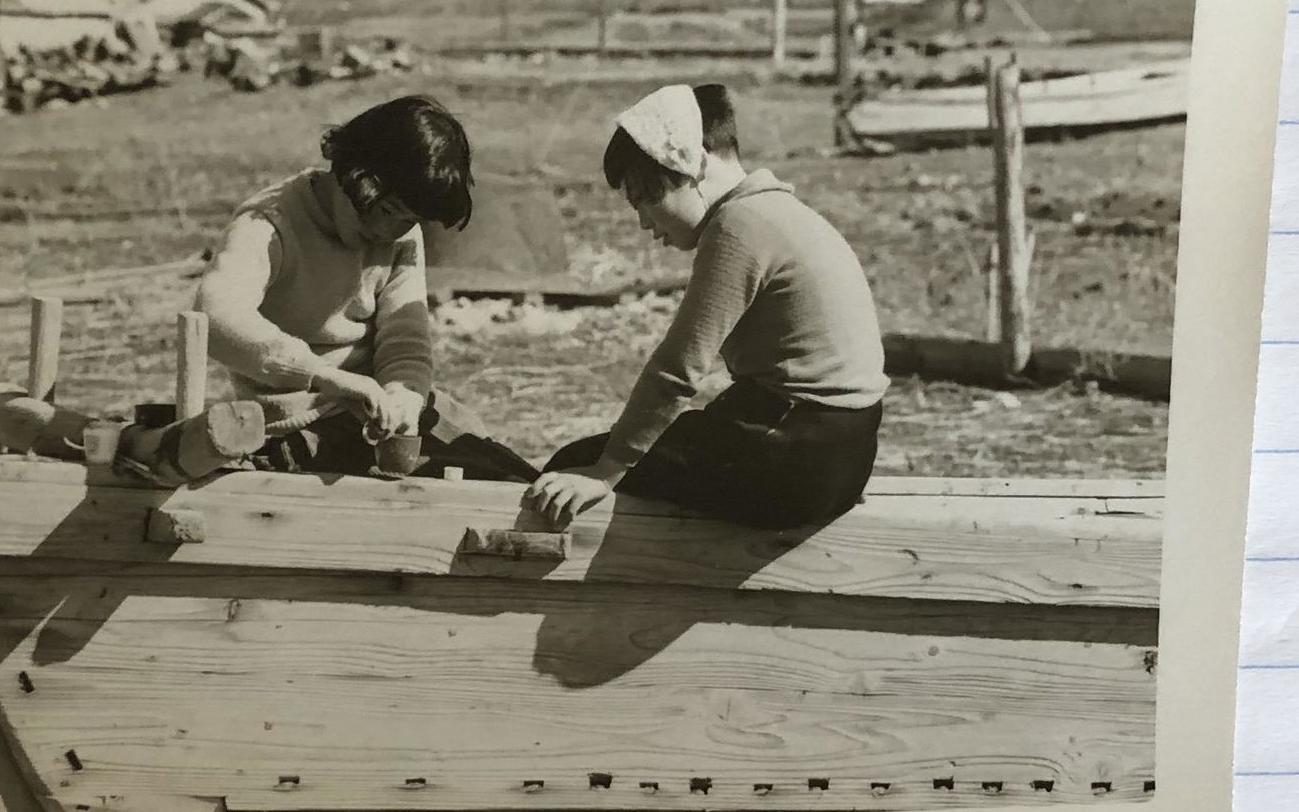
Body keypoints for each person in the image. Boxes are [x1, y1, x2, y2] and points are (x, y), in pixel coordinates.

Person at [524, 83, 888, 529]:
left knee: (574, 463)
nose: (644, 222)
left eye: (646, 198)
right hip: (848, 454)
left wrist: (605, 473)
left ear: (689, 167)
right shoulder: (779, 211)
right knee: (669, 444)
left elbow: (678, 370)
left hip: (797, 461)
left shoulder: (739, 225)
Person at [195, 94, 537, 482]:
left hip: (377, 417)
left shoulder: (400, 233)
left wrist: (405, 395)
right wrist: (327, 377)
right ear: (352, 175)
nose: (388, 233)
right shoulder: (271, 224)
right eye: (387, 212)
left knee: (509, 478)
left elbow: (405, 336)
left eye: (409, 221)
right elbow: (216, 316)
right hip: (299, 423)